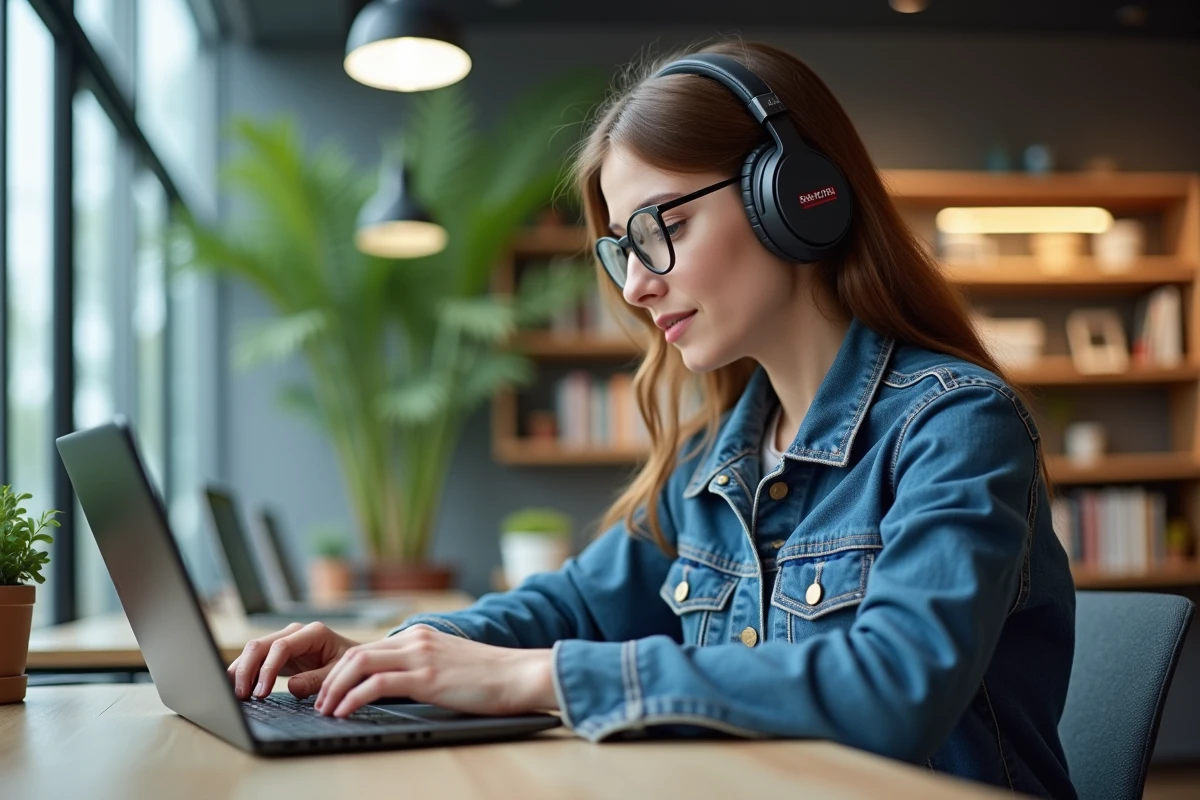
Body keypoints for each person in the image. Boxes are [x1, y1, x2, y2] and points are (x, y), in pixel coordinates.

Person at [228, 38, 1076, 799]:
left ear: (797, 196)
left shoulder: (955, 425)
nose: (635, 286)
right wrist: (396, 651)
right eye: (621, 250)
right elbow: (566, 607)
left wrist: (539, 679)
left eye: (660, 227)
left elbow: (893, 688)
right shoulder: (715, 463)